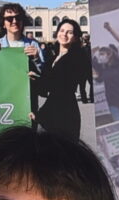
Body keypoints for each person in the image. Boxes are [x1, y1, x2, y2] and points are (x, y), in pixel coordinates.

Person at [34, 17, 93, 145]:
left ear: (76, 37)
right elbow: (44, 88)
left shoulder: (77, 57)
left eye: (69, 32)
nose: (64, 34)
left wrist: (40, 115)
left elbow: (60, 88)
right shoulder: (53, 57)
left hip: (64, 114)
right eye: (62, 30)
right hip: (51, 113)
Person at [0, 3, 43, 74]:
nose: (14, 21)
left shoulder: (33, 45)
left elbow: (43, 73)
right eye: (9, 19)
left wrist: (36, 59)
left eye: (18, 17)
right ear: (3, 24)